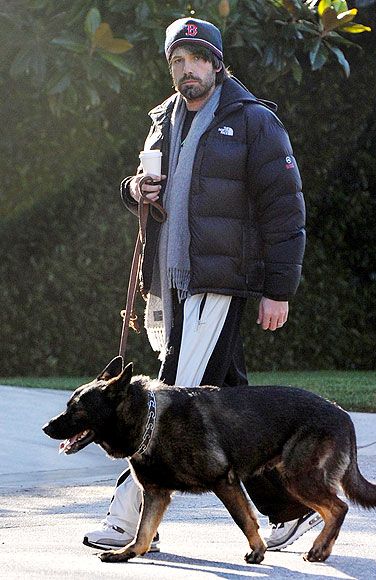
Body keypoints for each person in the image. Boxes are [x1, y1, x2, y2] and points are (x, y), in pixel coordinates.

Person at [84, 17, 320, 553]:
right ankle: (289, 506)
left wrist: (278, 288)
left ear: (216, 63)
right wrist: (133, 189)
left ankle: (128, 521)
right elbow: (145, 191)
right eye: (177, 61)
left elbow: (286, 210)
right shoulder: (163, 121)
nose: (187, 70)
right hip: (169, 287)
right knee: (228, 399)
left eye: (196, 59)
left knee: (163, 402)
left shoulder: (255, 122)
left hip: (218, 284)